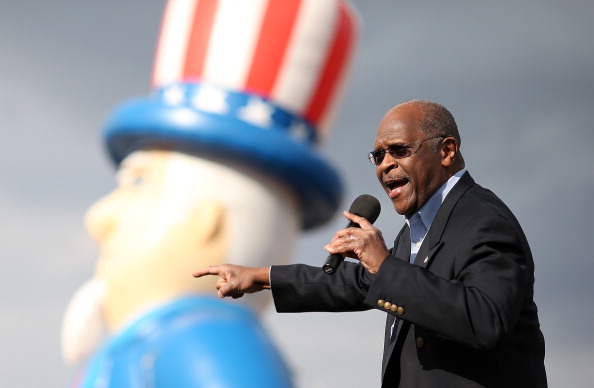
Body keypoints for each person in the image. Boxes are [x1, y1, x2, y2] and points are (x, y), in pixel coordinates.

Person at [61, 0, 360, 387]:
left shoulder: (200, 337)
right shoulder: (146, 341)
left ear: (206, 221)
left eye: (137, 183)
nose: (99, 219)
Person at [194, 100, 548, 387]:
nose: (386, 165)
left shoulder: (484, 221)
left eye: (399, 150)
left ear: (447, 151)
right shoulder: (420, 225)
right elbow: (362, 282)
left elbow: (484, 320)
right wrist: (260, 276)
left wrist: (384, 264)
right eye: (378, 156)